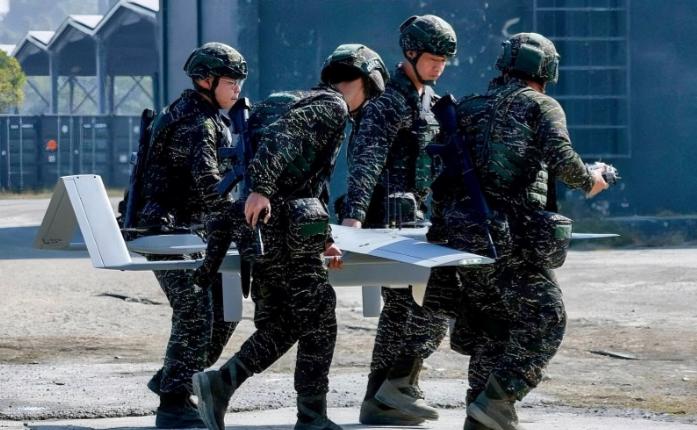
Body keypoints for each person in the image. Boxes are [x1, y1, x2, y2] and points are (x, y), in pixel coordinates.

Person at [192, 44, 389, 430]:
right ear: (364, 83)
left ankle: (233, 387)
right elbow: (283, 140)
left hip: (267, 226)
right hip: (282, 224)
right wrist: (261, 188)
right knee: (316, 313)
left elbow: (304, 180)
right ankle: (295, 411)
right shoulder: (332, 106)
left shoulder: (290, 99)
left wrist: (324, 237)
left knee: (293, 318)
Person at [427, 33, 611, 430]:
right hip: (509, 240)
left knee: (493, 326)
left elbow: (438, 176)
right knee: (547, 316)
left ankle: (481, 415)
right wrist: (591, 180)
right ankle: (497, 401)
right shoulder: (541, 105)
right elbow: (562, 158)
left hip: (463, 240)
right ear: (545, 69)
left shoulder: (468, 106)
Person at [338, 14, 457, 425]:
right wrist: (353, 220)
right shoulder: (388, 102)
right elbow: (365, 163)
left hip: (414, 220)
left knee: (400, 310)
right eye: (433, 59)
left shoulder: (432, 101)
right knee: (436, 300)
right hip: (383, 225)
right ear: (410, 53)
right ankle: (398, 385)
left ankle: (380, 400)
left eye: (444, 60)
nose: (439, 66)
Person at [134, 42, 247, 428]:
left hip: (192, 233)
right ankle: (173, 404)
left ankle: (173, 377)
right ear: (205, 80)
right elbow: (209, 185)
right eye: (231, 82)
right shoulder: (196, 123)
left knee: (226, 310)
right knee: (196, 312)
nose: (237, 89)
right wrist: (243, 216)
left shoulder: (205, 115)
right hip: (167, 231)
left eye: (239, 82)